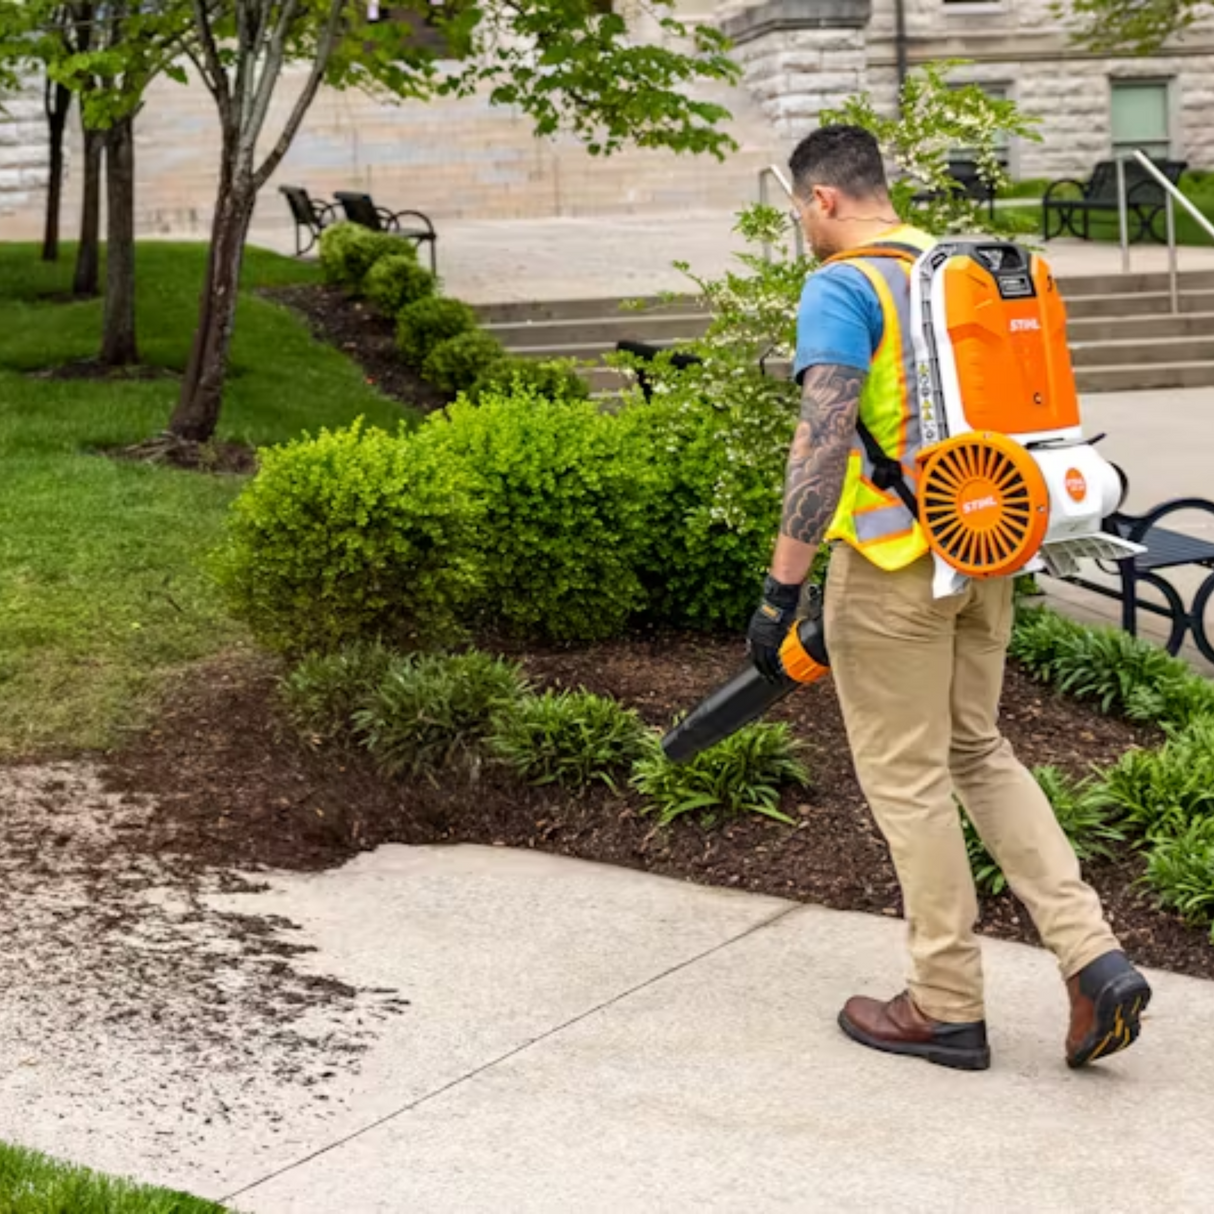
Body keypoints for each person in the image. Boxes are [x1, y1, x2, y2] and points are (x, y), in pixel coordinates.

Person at [745, 123, 1152, 1072]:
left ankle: (945, 1002)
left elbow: (823, 439)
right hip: (983, 548)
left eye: (801, 211)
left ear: (824, 201)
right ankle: (1093, 957)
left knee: (908, 778)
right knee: (979, 749)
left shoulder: (842, 284)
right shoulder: (950, 268)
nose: (804, 226)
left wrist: (781, 589)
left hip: (889, 569)